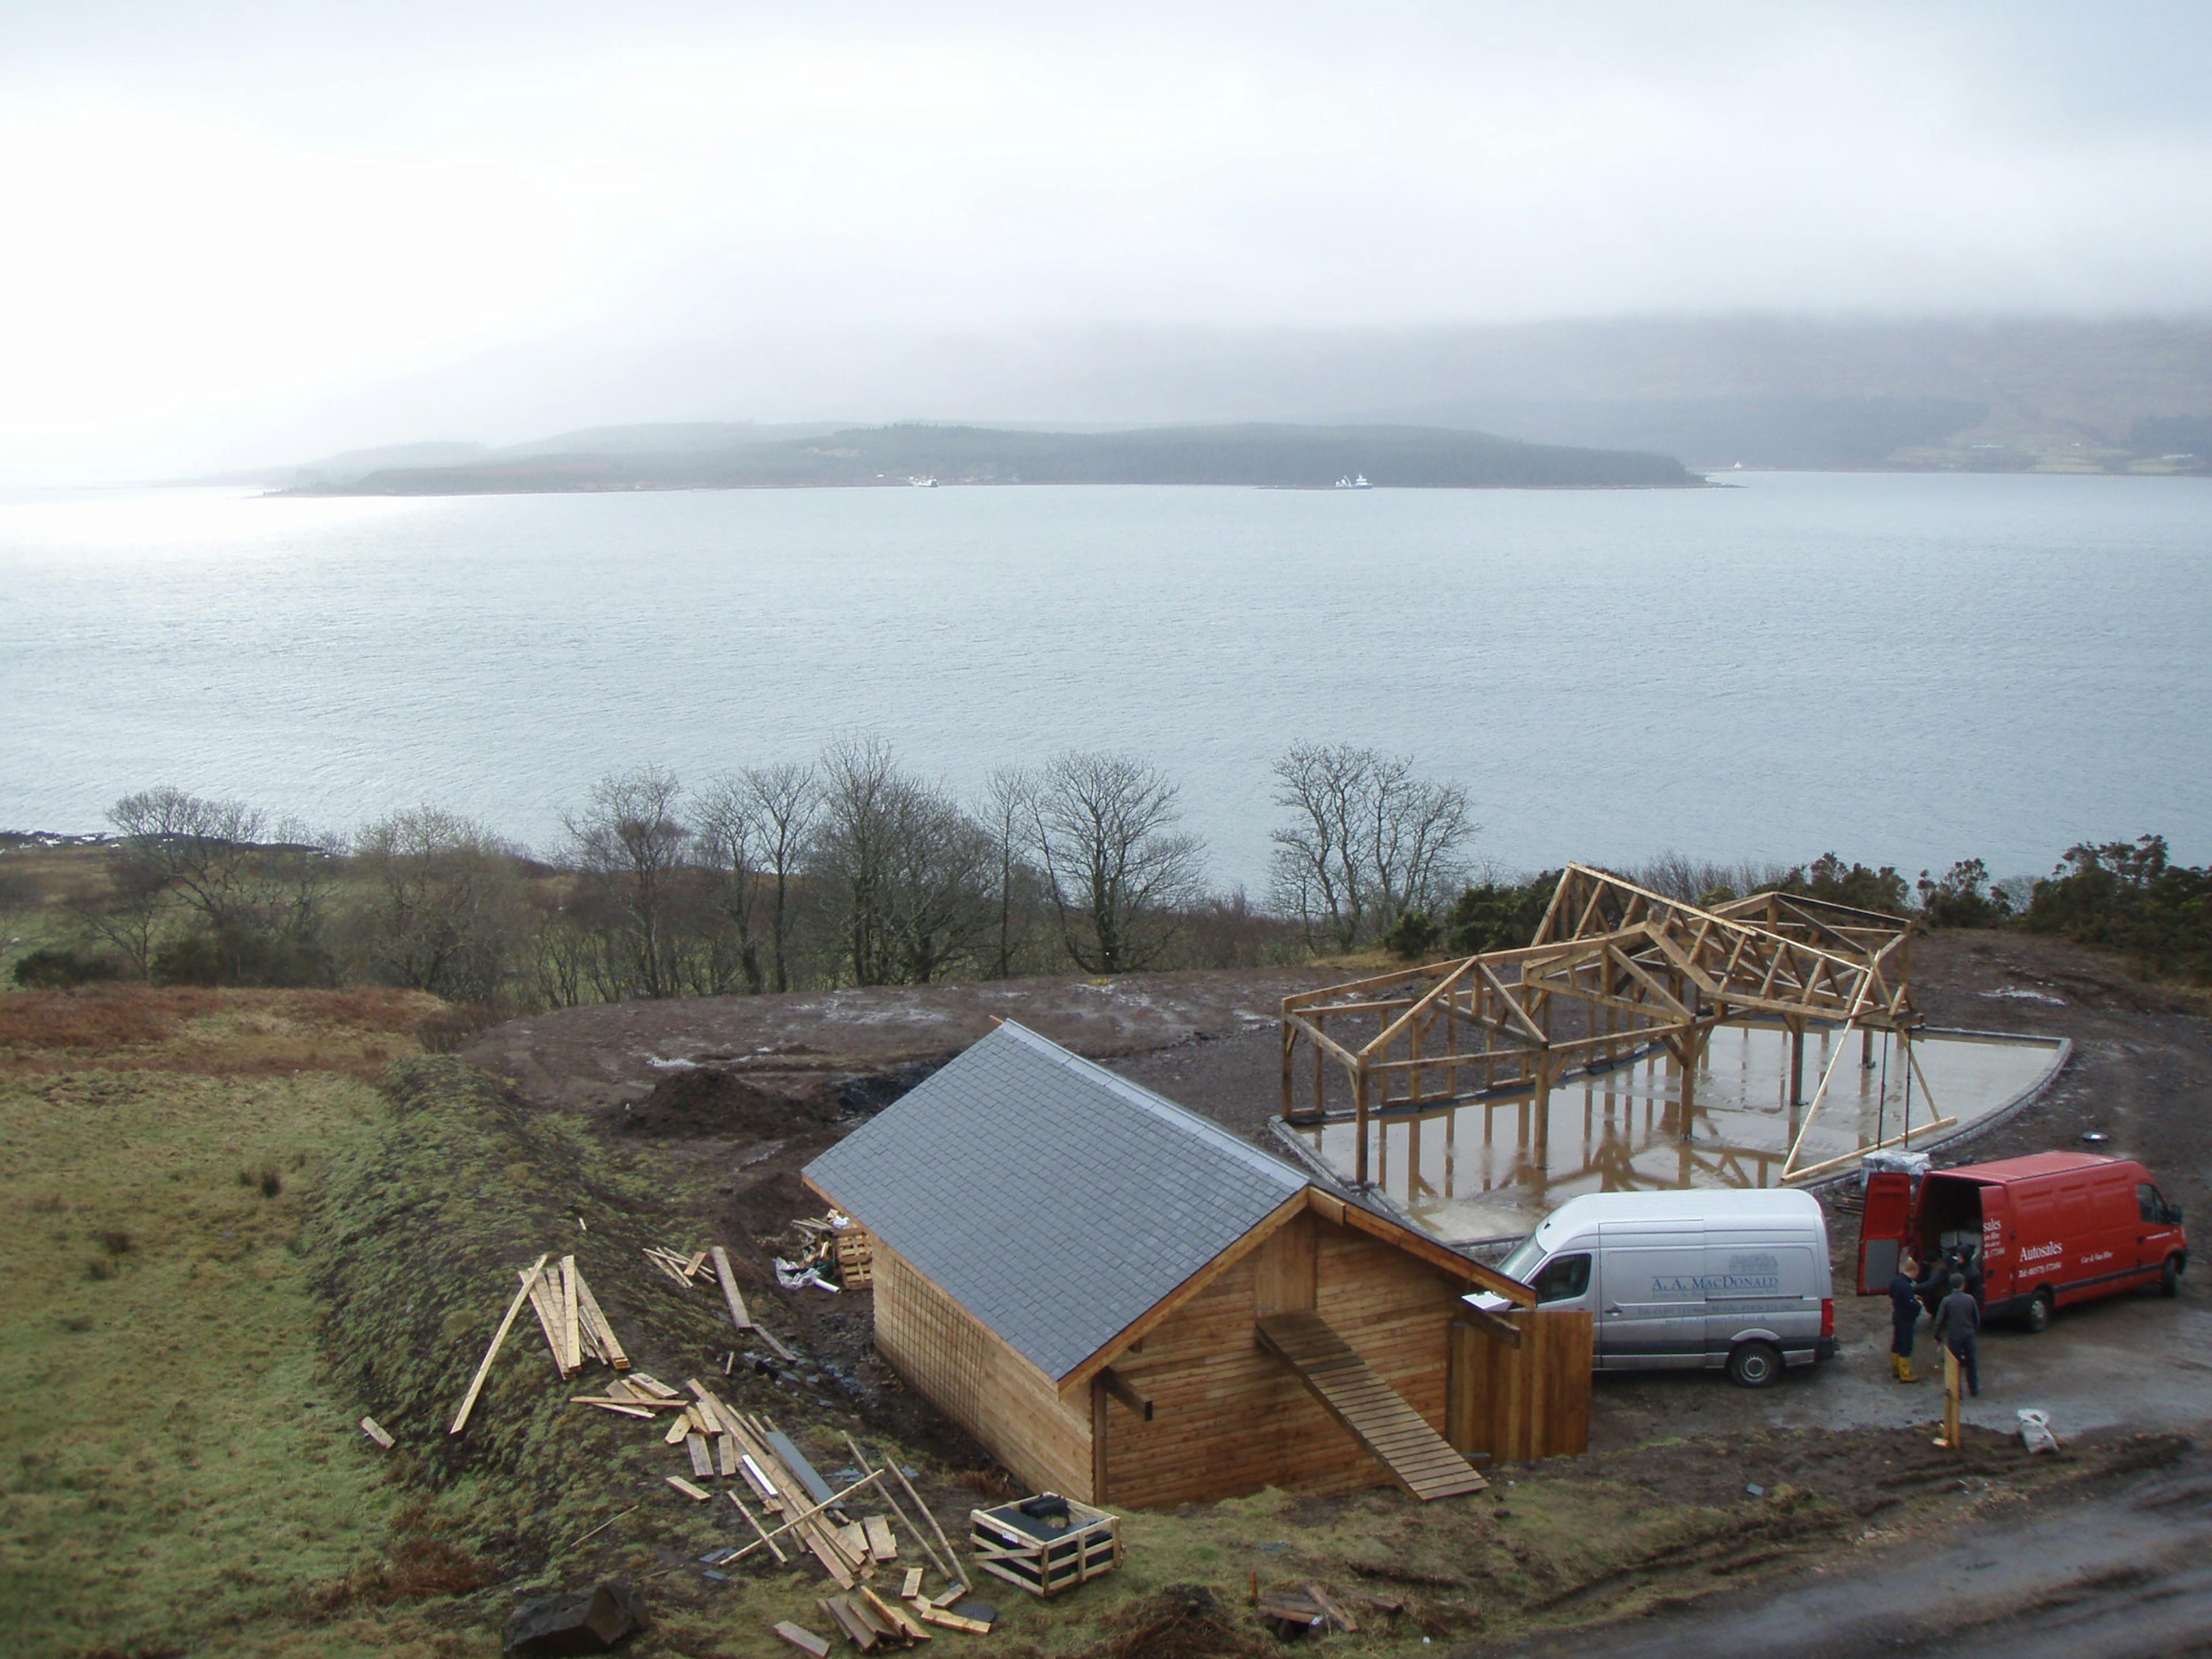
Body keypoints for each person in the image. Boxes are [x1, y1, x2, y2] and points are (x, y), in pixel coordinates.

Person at [1934, 1270, 1981, 1398]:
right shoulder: (1970, 1299)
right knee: (1971, 1362)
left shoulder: (1947, 1301)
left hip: (1954, 1336)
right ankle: (1974, 1389)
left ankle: (1956, 1390)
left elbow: (1939, 1321)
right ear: (1963, 1285)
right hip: (1968, 1335)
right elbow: (1976, 1318)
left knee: (1954, 1364)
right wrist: (1973, 1330)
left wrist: (1937, 1336)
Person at [1888, 1250, 1923, 1382]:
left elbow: (1892, 1295)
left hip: (1897, 1316)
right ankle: (1906, 1374)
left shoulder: (1896, 1281)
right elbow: (1911, 1304)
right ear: (1913, 1271)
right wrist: (1918, 1304)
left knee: (1896, 1343)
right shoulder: (1906, 1286)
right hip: (1906, 1319)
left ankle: (1895, 1369)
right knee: (1906, 1345)